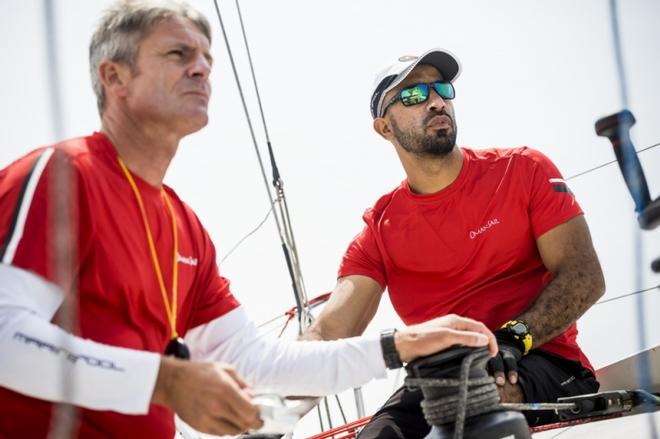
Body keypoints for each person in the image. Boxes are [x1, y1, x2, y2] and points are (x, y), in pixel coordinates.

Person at [0, 6, 498, 439]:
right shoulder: (64, 177)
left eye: (206, 59)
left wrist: (401, 345)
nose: (201, 70)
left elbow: (257, 366)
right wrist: (164, 381)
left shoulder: (183, 227)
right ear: (114, 78)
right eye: (178, 55)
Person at [302, 48, 606, 437]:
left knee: (469, 401)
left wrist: (513, 338)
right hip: (441, 378)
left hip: (542, 358)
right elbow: (330, 331)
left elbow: (585, 275)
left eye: (440, 89)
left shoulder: (524, 169)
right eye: (413, 95)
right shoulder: (379, 230)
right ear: (385, 128)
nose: (435, 101)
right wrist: (268, 402)